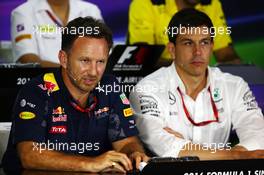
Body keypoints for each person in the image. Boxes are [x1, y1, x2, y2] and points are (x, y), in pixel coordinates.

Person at [2, 17, 148, 173]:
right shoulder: (37, 90)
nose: (93, 72)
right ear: (63, 59)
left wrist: (134, 153)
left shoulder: (109, 87)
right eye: (85, 60)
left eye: (100, 62)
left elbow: (126, 142)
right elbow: (29, 154)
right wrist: (91, 164)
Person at [129, 9, 264, 160]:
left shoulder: (235, 85)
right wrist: (234, 156)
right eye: (188, 43)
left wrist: (235, 153)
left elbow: (257, 132)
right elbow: (163, 145)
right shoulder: (146, 89)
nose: (198, 52)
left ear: (212, 47)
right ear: (172, 50)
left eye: (204, 42)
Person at [128, 0, 241, 65]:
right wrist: (185, 67)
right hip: (154, 86)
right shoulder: (144, 3)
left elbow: (225, 53)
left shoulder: (212, 3)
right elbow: (141, 59)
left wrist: (239, 68)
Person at [11, 0, 103, 67]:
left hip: (89, 84)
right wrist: (72, 72)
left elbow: (103, 52)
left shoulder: (90, 10)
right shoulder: (24, 12)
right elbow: (27, 60)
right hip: (43, 84)